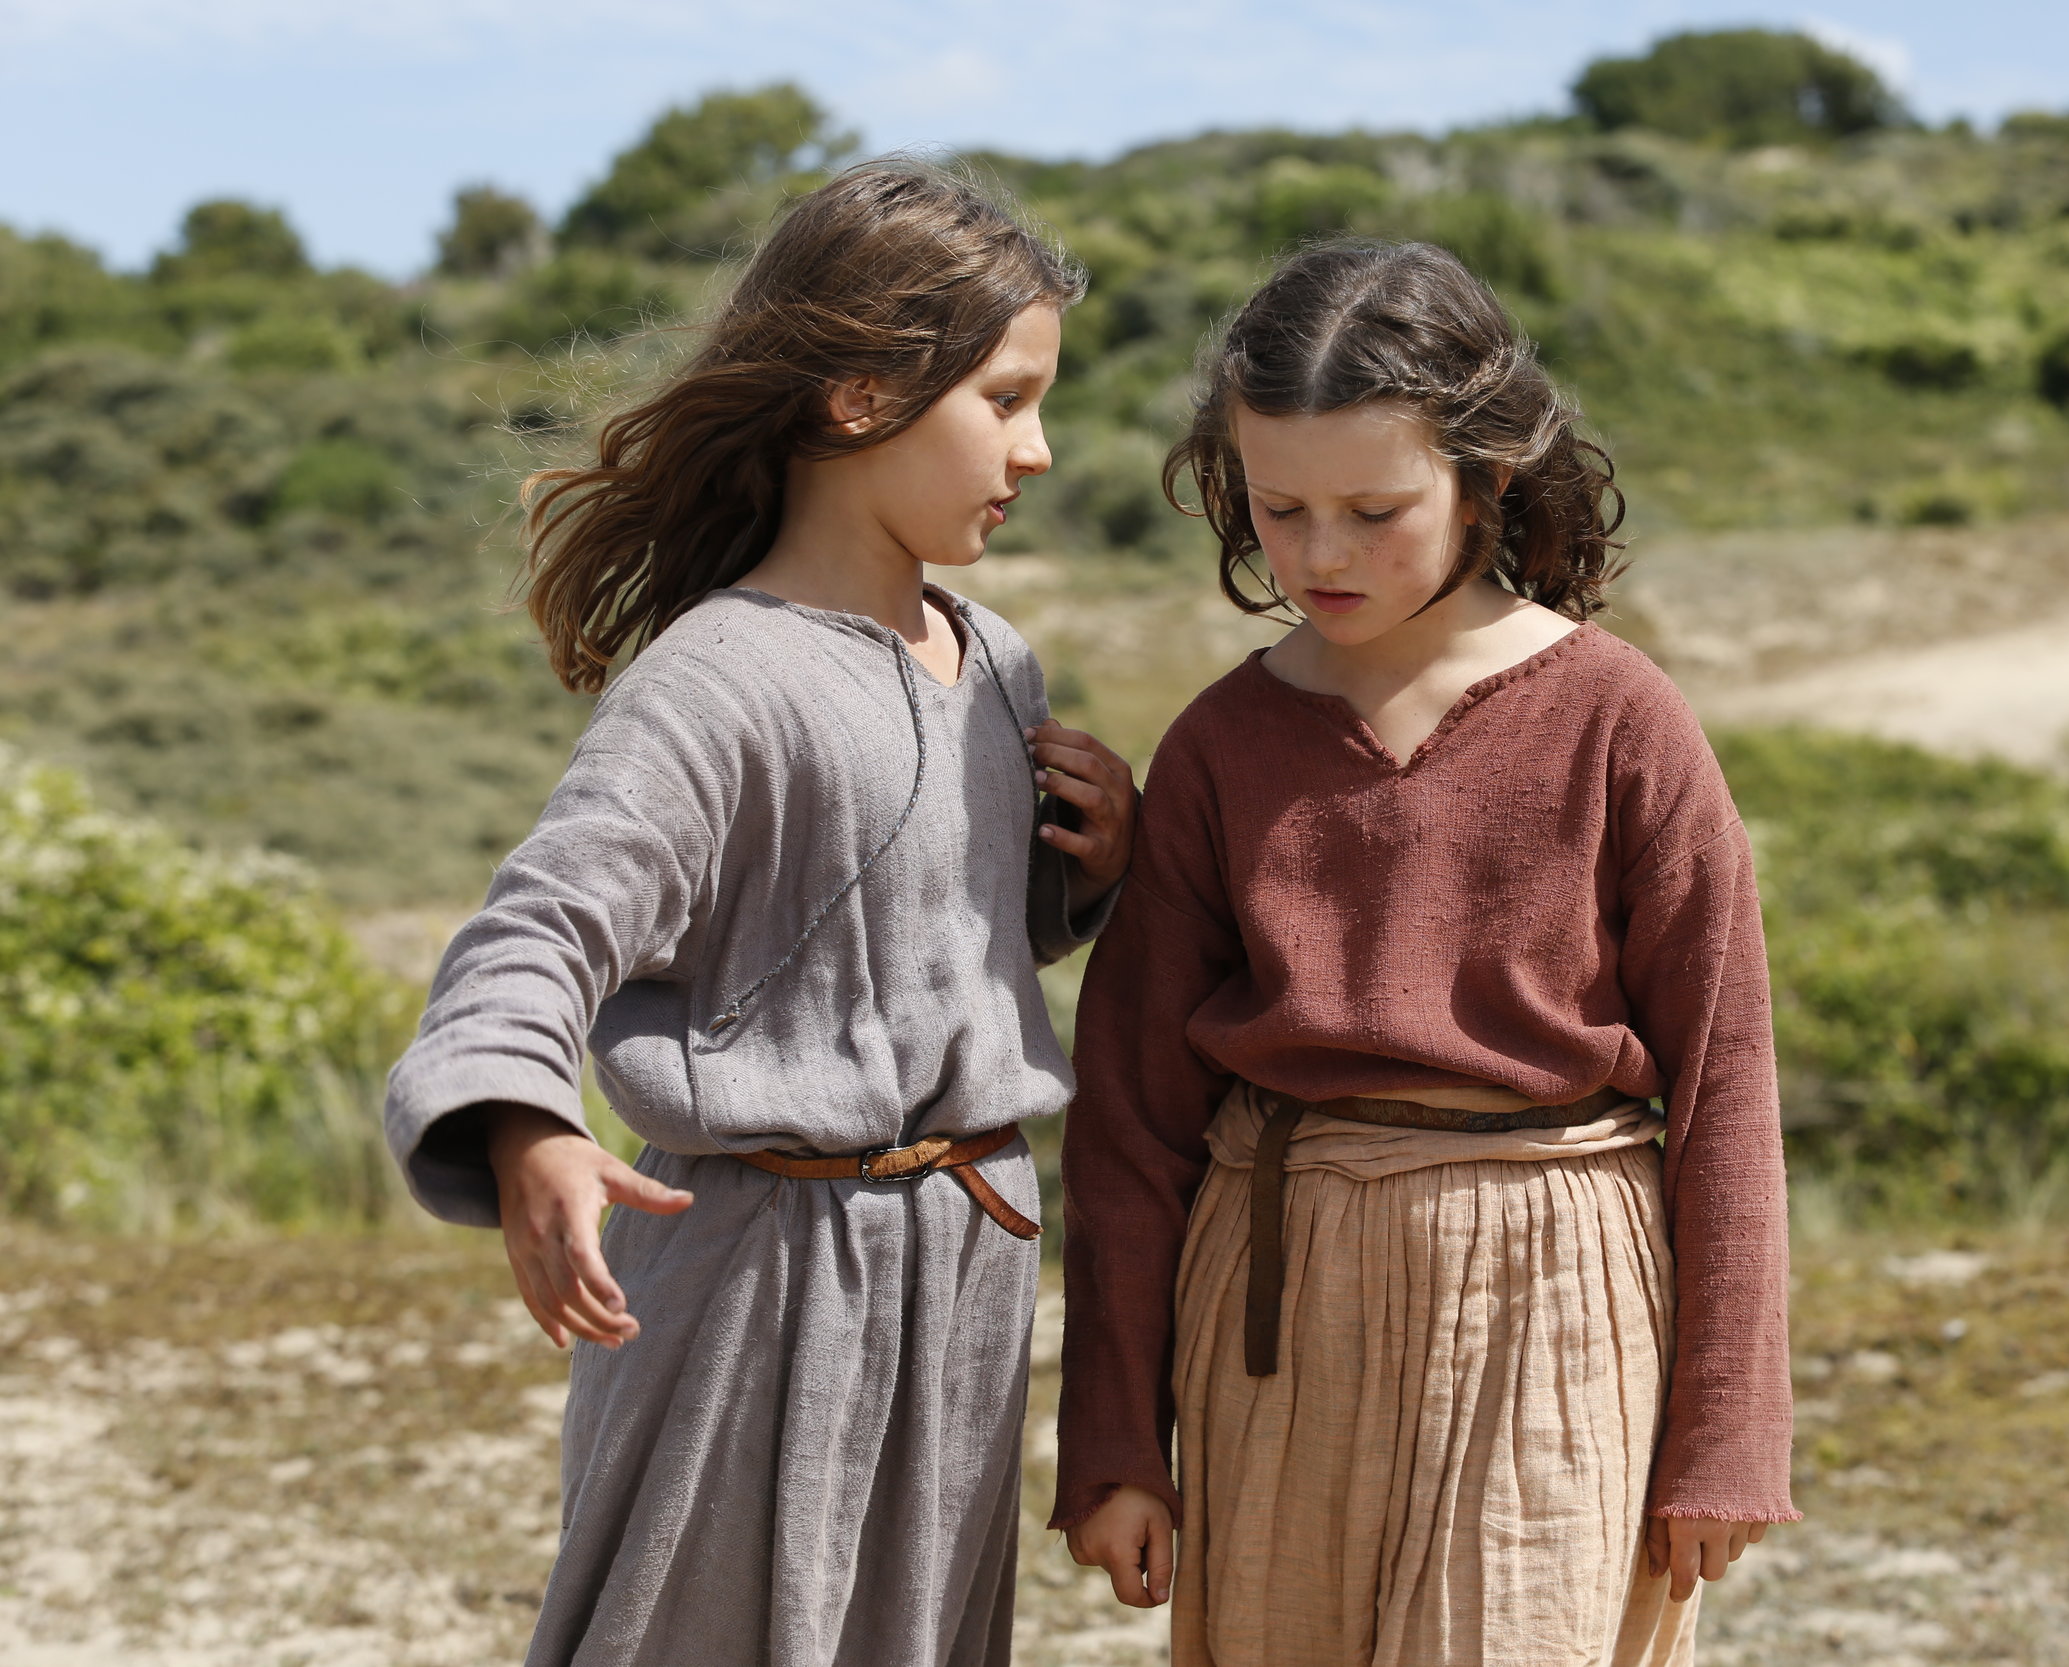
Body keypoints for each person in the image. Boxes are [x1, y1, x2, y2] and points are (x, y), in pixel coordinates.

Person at [382, 161, 1136, 1667]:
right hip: (757, 1279)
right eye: (1004, 399)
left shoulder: (995, 662)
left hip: (965, 1261)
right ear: (860, 395)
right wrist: (522, 1123)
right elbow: (545, 927)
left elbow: (912, 927)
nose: (1038, 449)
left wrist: (1091, 866)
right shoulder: (714, 679)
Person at [1051, 240, 1795, 1666]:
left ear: (1487, 479)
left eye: (1374, 510)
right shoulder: (1218, 742)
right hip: (1280, 1299)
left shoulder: (1620, 718)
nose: (1320, 555)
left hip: (1556, 1281)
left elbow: (1727, 1091)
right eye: (1281, 508)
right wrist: (1116, 1443)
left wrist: (1727, 1432)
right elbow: (1135, 1124)